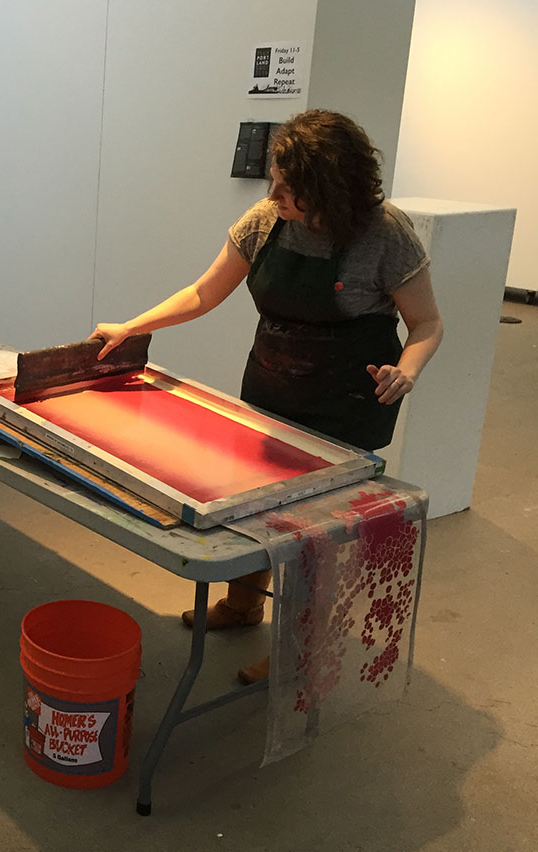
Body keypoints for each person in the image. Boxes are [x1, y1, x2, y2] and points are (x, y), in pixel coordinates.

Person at [89, 109, 443, 684]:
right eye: (273, 179)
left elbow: (427, 324)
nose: (272, 194)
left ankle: (301, 649)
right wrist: (132, 328)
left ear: (329, 189)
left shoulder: (385, 235)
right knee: (253, 508)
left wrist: (406, 371)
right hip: (271, 386)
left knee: (315, 533)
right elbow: (203, 293)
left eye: (287, 186)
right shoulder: (265, 220)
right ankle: (243, 606)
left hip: (347, 404)